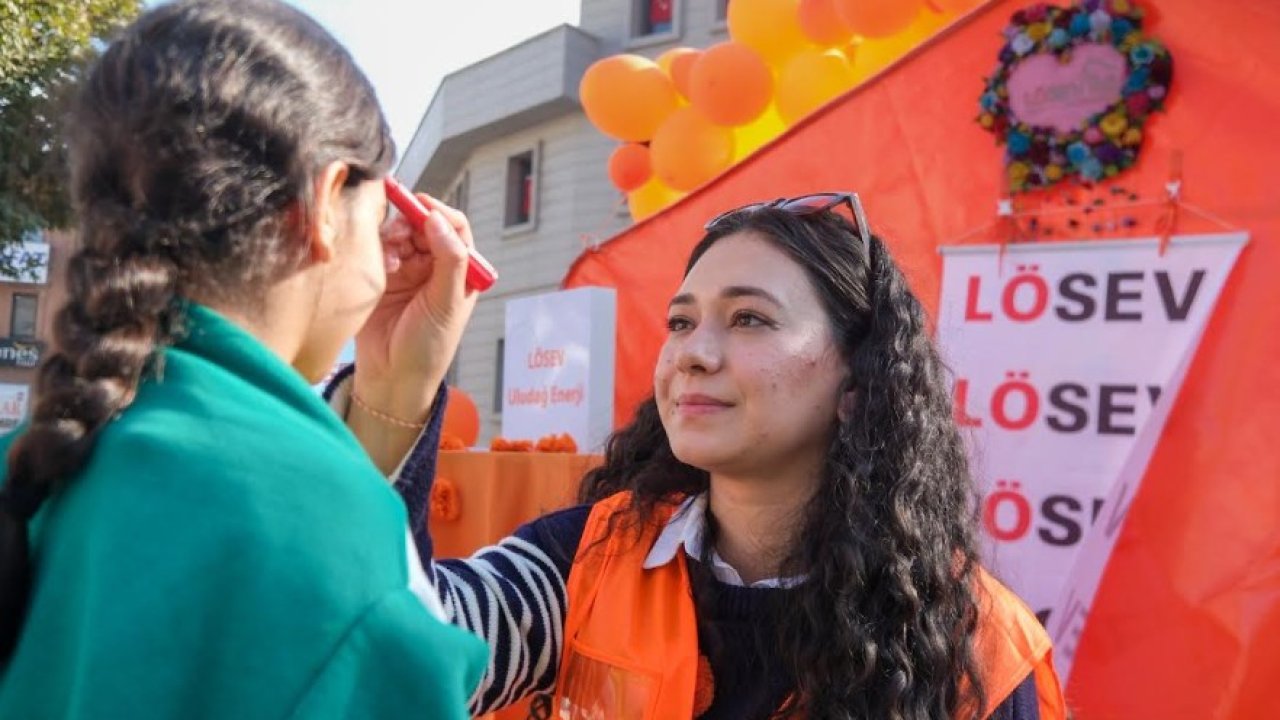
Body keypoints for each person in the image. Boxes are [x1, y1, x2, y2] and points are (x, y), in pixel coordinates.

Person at [344, 193, 1068, 719]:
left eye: (749, 318)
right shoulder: (583, 566)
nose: (693, 354)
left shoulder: (979, 648)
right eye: (681, 322)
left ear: (857, 383)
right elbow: (386, 661)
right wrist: (395, 384)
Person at [0, 1, 485, 717]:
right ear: (323, 202)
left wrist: (391, 388)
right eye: (383, 213)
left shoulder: (36, 464)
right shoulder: (332, 546)